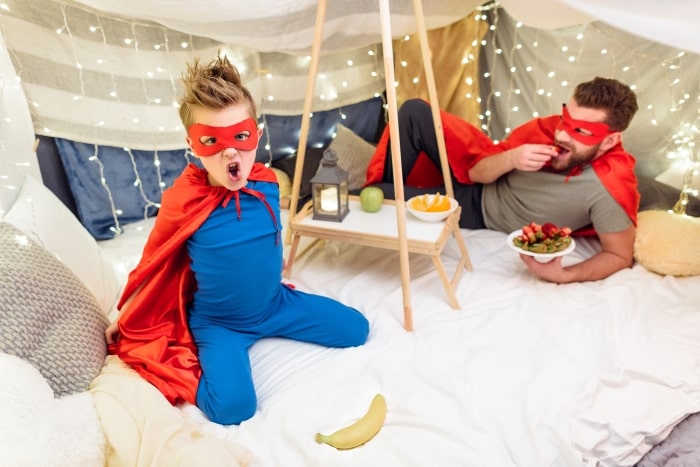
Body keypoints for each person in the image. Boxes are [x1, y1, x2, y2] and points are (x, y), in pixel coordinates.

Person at [105, 55, 369, 425]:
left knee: (356, 329)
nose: (230, 151)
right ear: (193, 145)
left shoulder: (268, 183)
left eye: (240, 136)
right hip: (220, 323)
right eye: (211, 140)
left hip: (275, 304)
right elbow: (154, 259)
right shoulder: (184, 200)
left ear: (256, 134)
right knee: (233, 408)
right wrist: (125, 313)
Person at [365, 77, 639, 284]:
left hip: (476, 208)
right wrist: (512, 158)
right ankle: (391, 206)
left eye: (580, 131)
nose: (563, 136)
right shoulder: (545, 130)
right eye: (565, 120)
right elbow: (476, 173)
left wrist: (564, 275)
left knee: (377, 195)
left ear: (611, 140)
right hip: (480, 179)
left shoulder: (609, 185)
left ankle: (387, 198)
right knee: (413, 111)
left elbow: (618, 256)